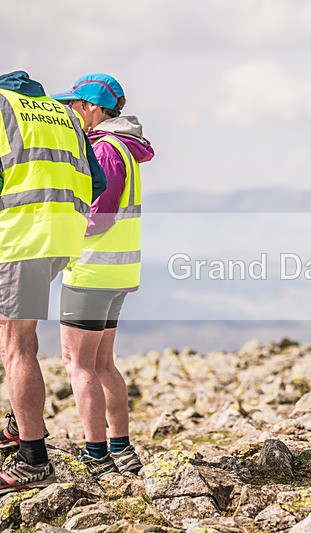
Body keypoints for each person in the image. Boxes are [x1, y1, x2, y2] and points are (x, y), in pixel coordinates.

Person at [0, 70, 106, 493]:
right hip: (59, 237)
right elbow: (96, 181)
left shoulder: (3, 107)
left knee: (17, 345)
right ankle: (18, 421)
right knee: (12, 339)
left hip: (21, 235)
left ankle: (33, 457)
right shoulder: (61, 114)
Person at [52, 74, 153, 477]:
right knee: (103, 362)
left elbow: (101, 213)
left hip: (93, 268)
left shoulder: (106, 149)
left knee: (78, 364)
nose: (72, 113)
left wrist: (64, 235)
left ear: (92, 107)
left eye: (75, 105)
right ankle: (121, 450)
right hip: (120, 269)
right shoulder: (124, 147)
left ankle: (97, 454)